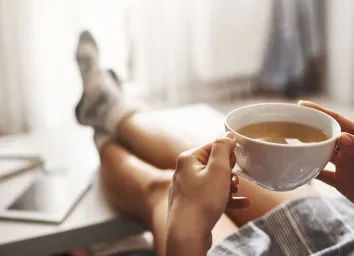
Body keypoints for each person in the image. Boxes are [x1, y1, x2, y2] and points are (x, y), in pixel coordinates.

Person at [75, 31, 354, 256]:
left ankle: (104, 131)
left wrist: (185, 236)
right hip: (343, 234)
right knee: (205, 161)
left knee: (165, 190)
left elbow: (186, 228)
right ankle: (109, 109)